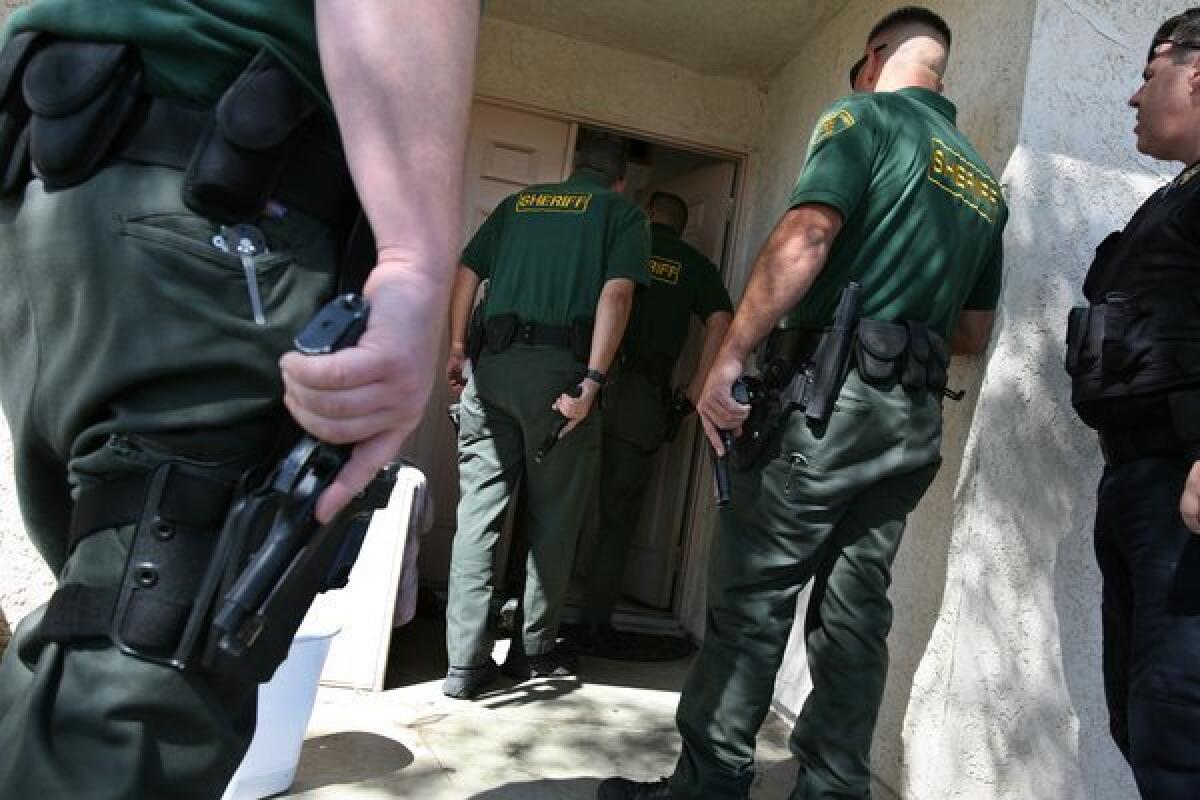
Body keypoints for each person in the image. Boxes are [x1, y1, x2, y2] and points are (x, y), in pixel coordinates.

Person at [0, 2, 480, 797]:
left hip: (59, 187)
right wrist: (412, 263)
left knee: (94, 624)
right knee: (146, 662)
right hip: (208, 203)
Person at [600, 7, 1007, 799]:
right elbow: (972, 328)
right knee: (857, 615)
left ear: (873, 58)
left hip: (828, 408)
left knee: (752, 597)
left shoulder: (865, 114)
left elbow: (807, 235)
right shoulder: (983, 181)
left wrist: (730, 354)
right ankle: (832, 788)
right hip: (909, 422)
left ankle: (708, 786)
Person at [442, 132, 651, 699]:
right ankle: (531, 654)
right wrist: (593, 381)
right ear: (619, 178)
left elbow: (467, 271)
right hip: (560, 377)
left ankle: (463, 664)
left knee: (478, 515)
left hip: (494, 370)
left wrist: (459, 348)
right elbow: (617, 297)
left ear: (573, 168)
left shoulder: (519, 204)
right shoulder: (622, 214)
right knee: (553, 520)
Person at [1064, 10, 1200, 797]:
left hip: (1183, 490)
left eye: (1148, 73)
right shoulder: (1174, 197)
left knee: (1179, 726)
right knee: (1142, 715)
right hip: (1140, 483)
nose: (1132, 96)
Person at [571, 190, 732, 658]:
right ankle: (595, 623)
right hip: (644, 396)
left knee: (554, 500)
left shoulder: (620, 245)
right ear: (680, 226)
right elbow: (722, 319)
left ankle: (531, 620)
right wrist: (696, 391)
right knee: (618, 516)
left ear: (644, 216)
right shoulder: (694, 265)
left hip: (588, 380)